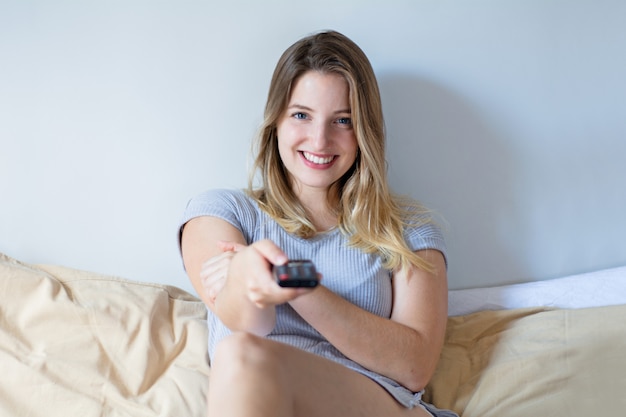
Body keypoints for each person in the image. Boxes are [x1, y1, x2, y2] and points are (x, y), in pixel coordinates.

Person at [179, 30, 457, 417]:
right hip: (264, 399)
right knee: (243, 354)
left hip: (380, 408)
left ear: (364, 132)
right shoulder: (222, 212)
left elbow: (414, 368)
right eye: (301, 115)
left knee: (245, 356)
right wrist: (248, 279)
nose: (320, 139)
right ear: (276, 119)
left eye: (342, 120)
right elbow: (243, 321)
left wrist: (294, 281)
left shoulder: (408, 229)